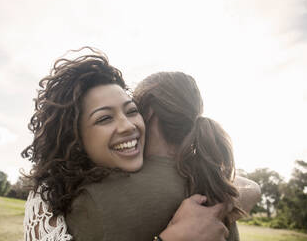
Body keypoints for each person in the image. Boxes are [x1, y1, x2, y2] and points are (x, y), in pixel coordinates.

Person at [23, 48, 260, 241]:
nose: (127, 126)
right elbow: (249, 187)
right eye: (104, 118)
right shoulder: (211, 180)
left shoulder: (92, 201)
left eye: (132, 111)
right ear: (74, 137)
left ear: (148, 115)